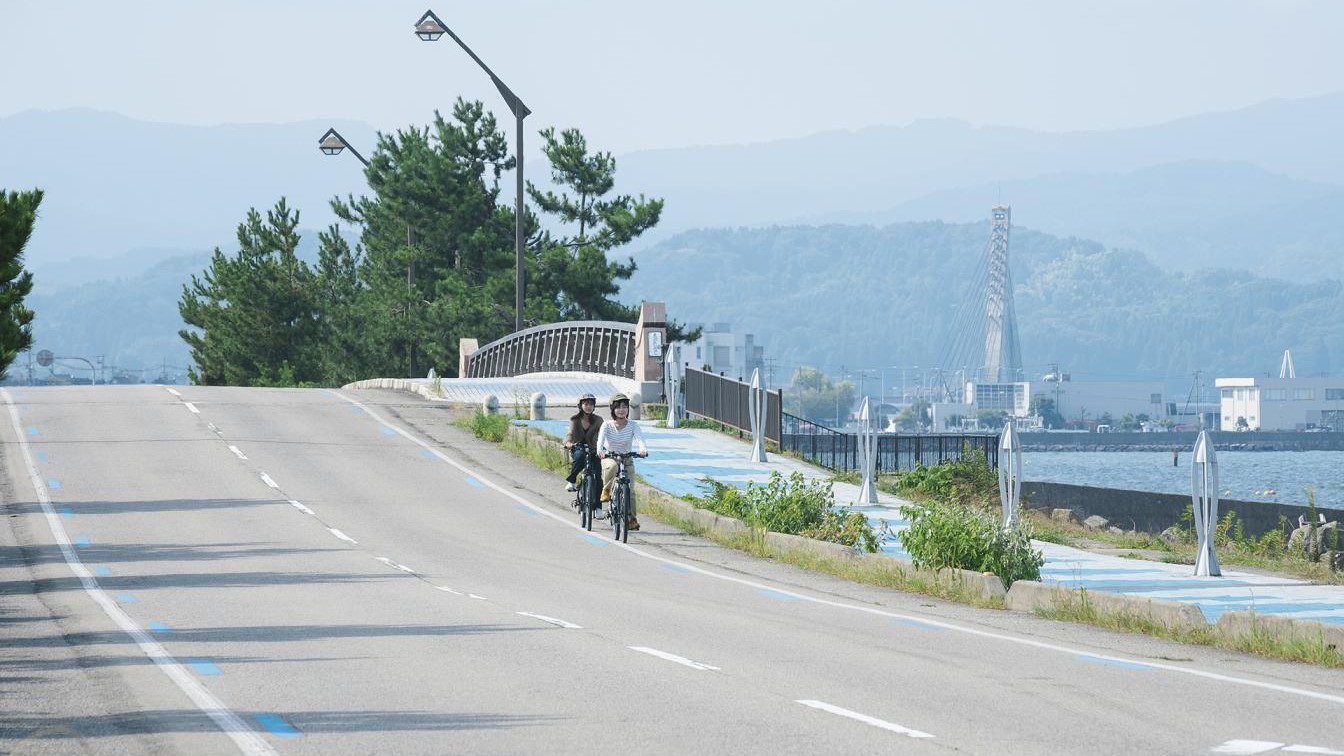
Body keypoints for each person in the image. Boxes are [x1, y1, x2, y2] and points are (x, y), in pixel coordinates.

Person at [596, 392, 648, 530]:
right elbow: (600, 440)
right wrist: (600, 451)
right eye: (618, 407)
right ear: (612, 409)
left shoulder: (633, 425)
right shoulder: (607, 425)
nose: (621, 410)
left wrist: (643, 449)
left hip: (627, 460)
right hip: (610, 457)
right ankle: (606, 490)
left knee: (630, 491)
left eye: (624, 406)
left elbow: (640, 439)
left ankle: (631, 520)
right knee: (612, 466)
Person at [564, 393, 603, 495]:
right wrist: (569, 442)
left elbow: (604, 434)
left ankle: (598, 507)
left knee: (598, 476)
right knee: (580, 456)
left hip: (594, 449)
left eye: (591, 404)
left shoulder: (599, 420)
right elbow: (570, 433)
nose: (588, 407)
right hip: (578, 447)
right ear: (580, 406)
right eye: (586, 404)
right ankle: (572, 480)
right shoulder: (575, 419)